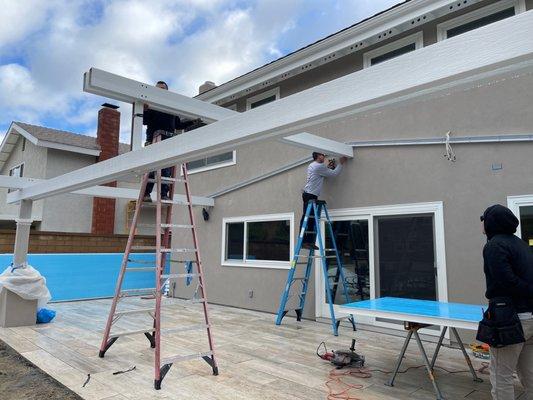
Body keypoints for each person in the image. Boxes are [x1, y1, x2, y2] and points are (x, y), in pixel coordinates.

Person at [481, 204, 533, 399]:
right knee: (530, 374)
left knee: (501, 375)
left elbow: (506, 281)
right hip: (529, 318)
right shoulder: (521, 245)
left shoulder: (494, 246)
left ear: (491, 223)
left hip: (510, 320)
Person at [143, 81, 194, 201]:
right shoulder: (152, 104)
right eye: (158, 89)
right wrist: (145, 109)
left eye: (162, 89)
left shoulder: (171, 107)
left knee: (166, 169)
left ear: (167, 91)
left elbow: (178, 124)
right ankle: (146, 194)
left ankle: (164, 195)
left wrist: (192, 121)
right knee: (152, 168)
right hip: (154, 139)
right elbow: (144, 121)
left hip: (169, 139)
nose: (160, 90)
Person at [300, 152, 347, 249]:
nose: (324, 157)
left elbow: (324, 173)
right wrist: (341, 163)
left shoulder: (313, 165)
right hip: (310, 195)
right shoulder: (318, 167)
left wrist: (329, 167)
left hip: (308, 194)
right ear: (317, 156)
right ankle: (305, 242)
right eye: (322, 155)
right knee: (308, 218)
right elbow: (333, 174)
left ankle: (307, 241)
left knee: (309, 218)